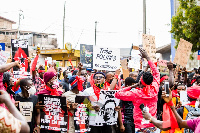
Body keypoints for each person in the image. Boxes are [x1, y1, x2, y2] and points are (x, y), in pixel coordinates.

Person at [115, 48, 160, 132]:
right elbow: (156, 73)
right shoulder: (155, 89)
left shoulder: (135, 93)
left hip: (140, 127)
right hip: (154, 126)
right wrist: (148, 58)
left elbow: (118, 93)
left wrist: (134, 85)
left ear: (140, 81)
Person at [62, 63, 84, 133]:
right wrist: (69, 106)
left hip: (80, 123)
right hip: (70, 122)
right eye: (80, 83)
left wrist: (93, 107)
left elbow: (87, 106)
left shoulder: (82, 94)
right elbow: (61, 109)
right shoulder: (65, 95)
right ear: (75, 85)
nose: (82, 84)